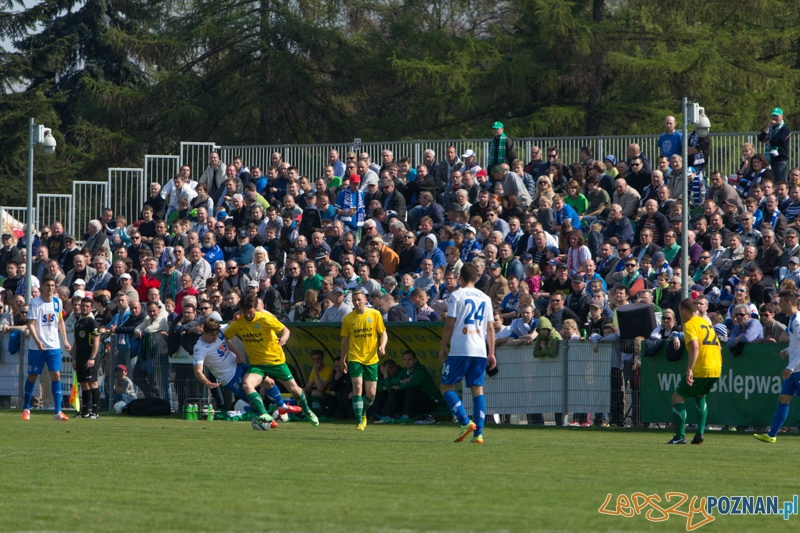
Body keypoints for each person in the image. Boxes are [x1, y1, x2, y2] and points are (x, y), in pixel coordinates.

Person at [223, 294, 318, 429]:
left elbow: (285, 330)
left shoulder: (265, 318)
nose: (248, 315)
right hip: (257, 364)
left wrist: (284, 338)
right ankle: (264, 415)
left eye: (250, 312)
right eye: (245, 312)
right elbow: (225, 337)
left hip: (276, 361)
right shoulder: (238, 322)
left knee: (295, 390)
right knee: (247, 384)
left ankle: (307, 411)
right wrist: (236, 353)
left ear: (255, 308)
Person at [439, 263, 496, 444]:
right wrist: (491, 352)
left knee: (446, 387)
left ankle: (465, 422)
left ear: (460, 278)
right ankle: (479, 434)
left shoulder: (457, 295)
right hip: (480, 350)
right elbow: (490, 328)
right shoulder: (486, 298)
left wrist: (442, 347)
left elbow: (449, 324)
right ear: (477, 278)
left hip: (461, 348)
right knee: (477, 390)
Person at [666, 298, 722, 445]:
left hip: (701, 368)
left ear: (684, 311)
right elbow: (719, 346)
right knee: (700, 396)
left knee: (677, 398)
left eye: (679, 311)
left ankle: (679, 436)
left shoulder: (690, 324)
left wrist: (690, 369)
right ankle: (699, 433)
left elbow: (695, 346)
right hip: (716, 367)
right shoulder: (706, 323)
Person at [22, 276, 72, 421]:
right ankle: (26, 408)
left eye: (53, 285)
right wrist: (37, 341)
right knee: (32, 375)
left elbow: (60, 321)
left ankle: (58, 411)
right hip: (37, 347)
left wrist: (65, 340)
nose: (50, 288)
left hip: (53, 346)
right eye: (48, 285)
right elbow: (31, 324)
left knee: (56, 375)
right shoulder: (35, 303)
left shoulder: (57, 302)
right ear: (42, 286)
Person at [755, 290, 800, 443]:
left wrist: (790, 367)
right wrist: (787, 350)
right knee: (783, 398)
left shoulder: (797, 320)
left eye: (781, 303)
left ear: (789, 303)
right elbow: (796, 343)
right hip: (795, 368)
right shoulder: (793, 319)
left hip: (797, 369)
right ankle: (772, 434)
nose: (779, 306)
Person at [340, 289, 388, 430]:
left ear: (365, 300)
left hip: (371, 358)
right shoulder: (348, 318)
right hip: (355, 357)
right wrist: (343, 359)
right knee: (357, 386)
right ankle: (359, 421)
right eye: (354, 300)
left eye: (359, 299)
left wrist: (382, 346)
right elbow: (345, 340)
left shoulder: (375, 314)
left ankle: (363, 411)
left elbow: (383, 333)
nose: (357, 302)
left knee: (371, 393)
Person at [71, 297, 101, 418]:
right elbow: (75, 343)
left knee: (92, 383)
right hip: (80, 356)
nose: (84, 308)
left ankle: (95, 411)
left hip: (89, 355)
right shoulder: (78, 323)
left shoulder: (92, 322)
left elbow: (96, 341)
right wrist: (74, 358)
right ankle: (84, 412)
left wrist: (92, 357)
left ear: (91, 308)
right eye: (83, 305)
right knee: (83, 384)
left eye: (87, 306)